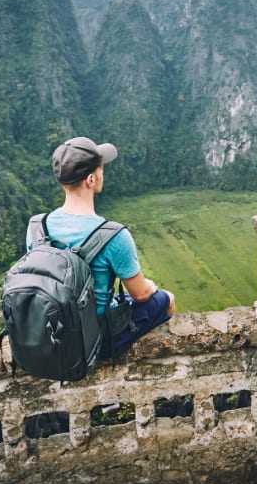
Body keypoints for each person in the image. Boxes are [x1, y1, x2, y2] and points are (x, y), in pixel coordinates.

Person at [29, 136, 175, 357]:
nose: (102, 174)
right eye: (101, 170)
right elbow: (141, 295)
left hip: (54, 333)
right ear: (90, 180)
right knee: (167, 299)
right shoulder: (114, 235)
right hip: (95, 339)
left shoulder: (37, 227)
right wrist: (151, 287)